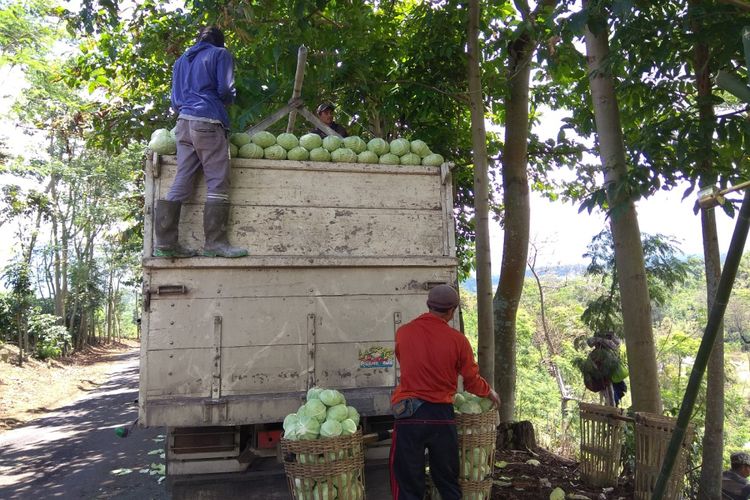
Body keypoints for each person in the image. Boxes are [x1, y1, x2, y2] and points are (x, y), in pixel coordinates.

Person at [389, 284, 500, 500]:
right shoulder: (458, 340)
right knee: (447, 481)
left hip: (409, 414)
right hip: (442, 416)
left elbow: (406, 363)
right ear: (452, 311)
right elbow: (471, 381)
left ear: (428, 305)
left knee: (408, 482)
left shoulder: (403, 332)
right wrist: (490, 393)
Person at [155, 26, 247, 258]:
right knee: (218, 181)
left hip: (183, 124)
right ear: (219, 42)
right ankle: (215, 243)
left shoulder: (181, 61)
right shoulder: (220, 54)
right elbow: (225, 89)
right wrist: (225, 101)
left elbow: (175, 101)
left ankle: (165, 244)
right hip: (208, 121)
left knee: (182, 180)